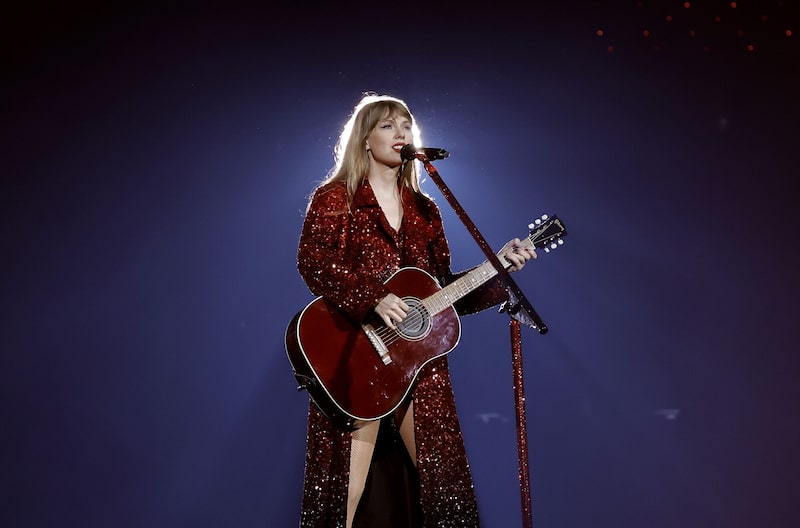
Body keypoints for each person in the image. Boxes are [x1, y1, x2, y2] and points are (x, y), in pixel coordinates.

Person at [294, 93, 536, 527]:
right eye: (387, 125)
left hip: (416, 366)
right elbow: (312, 261)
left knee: (446, 491)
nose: (401, 133)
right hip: (354, 353)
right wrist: (372, 297)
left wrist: (499, 273)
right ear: (365, 139)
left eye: (406, 125)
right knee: (343, 495)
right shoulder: (336, 198)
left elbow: (442, 294)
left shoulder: (426, 209)